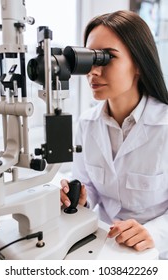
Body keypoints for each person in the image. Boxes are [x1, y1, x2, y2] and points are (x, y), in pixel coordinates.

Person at [60, 10, 168, 259]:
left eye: (105, 58)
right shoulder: (86, 124)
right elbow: (89, 187)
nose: (93, 72)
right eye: (89, 59)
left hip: (155, 254)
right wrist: (78, 198)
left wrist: (154, 233)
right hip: (105, 245)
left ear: (139, 64)